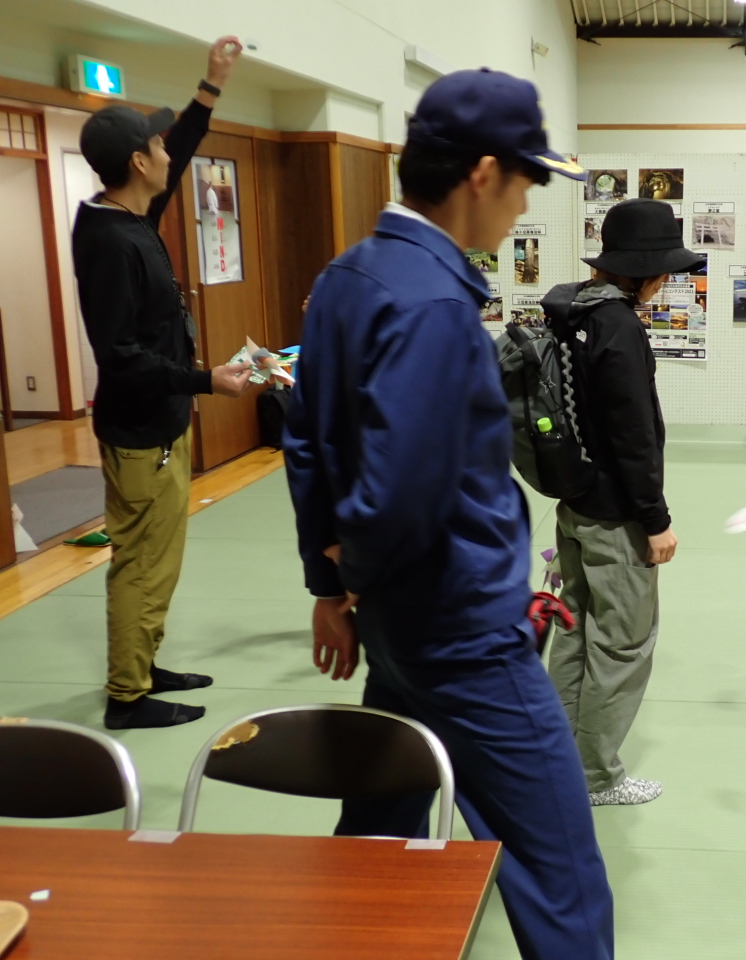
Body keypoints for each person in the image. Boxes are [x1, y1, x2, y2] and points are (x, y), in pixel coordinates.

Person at [284, 69, 612, 960]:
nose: (523, 203)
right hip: (461, 630)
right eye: (526, 180)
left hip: (392, 625)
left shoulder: (351, 275)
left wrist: (332, 587)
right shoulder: (433, 301)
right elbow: (403, 493)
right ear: (482, 173)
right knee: (560, 872)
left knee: (383, 835)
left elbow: (307, 441)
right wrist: (355, 569)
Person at [73, 37, 253, 730]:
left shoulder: (128, 214)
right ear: (136, 162)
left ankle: (143, 667)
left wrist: (210, 88)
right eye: (157, 143)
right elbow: (119, 355)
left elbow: (180, 151)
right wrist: (209, 379)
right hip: (141, 432)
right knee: (141, 565)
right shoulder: (112, 241)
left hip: (162, 423)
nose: (168, 151)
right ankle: (128, 695)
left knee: (159, 561)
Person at [540, 199, 694, 806]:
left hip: (574, 505)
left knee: (575, 635)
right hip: (617, 518)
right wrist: (655, 521)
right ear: (647, 271)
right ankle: (597, 778)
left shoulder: (570, 311)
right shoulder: (621, 326)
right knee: (623, 645)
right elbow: (632, 435)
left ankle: (559, 762)